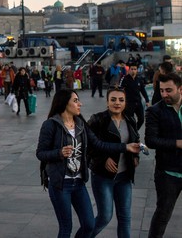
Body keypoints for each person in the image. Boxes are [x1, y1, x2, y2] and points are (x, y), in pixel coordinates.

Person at [36, 89, 139, 238]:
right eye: (76, 101)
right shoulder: (50, 125)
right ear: (65, 103)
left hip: (78, 183)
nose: (80, 104)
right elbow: (40, 153)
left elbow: (99, 144)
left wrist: (126, 147)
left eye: (78, 100)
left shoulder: (81, 124)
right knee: (66, 227)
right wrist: (59, 153)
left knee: (89, 224)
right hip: (60, 184)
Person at [87, 87, 140, 238]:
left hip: (124, 176)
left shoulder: (130, 119)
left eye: (121, 100)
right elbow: (88, 146)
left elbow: (135, 140)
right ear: (107, 102)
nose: (117, 103)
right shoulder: (98, 120)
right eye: (113, 100)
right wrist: (103, 159)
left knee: (125, 218)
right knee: (105, 216)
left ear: (125, 102)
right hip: (103, 176)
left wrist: (136, 157)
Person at [145, 72, 182, 238]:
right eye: (161, 90)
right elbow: (151, 140)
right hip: (168, 173)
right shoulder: (155, 111)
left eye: (169, 90)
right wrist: (177, 143)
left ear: (180, 89)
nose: (164, 94)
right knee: (162, 215)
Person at [119, 64, 149, 130]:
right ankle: (131, 134)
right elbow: (120, 90)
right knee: (130, 120)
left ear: (137, 70)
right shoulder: (124, 79)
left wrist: (147, 100)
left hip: (138, 103)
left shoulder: (139, 79)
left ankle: (135, 131)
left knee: (141, 120)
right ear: (129, 70)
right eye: (132, 69)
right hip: (129, 103)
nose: (133, 71)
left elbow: (143, 91)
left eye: (135, 69)